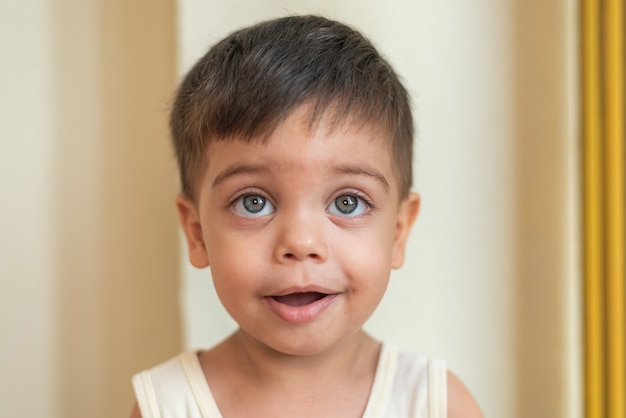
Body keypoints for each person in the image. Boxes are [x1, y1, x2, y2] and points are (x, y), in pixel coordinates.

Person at [130, 15, 483, 418]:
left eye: (347, 202)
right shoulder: (167, 406)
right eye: (253, 203)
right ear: (197, 234)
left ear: (398, 233)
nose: (301, 243)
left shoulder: (436, 404)